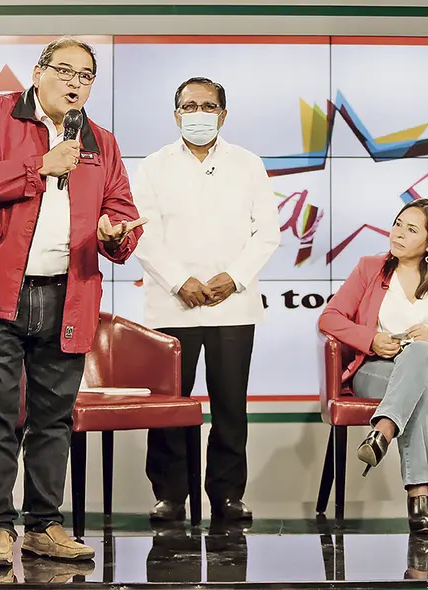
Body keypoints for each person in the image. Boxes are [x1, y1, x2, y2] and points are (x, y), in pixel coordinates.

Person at [0, 37, 146, 565]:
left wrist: (117, 237)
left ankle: (45, 524)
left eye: (87, 75)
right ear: (39, 70)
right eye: (66, 70)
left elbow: (121, 210)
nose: (76, 82)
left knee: (55, 419)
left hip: (66, 295)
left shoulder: (101, 141)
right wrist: (39, 167)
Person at [132, 77, 280, 523]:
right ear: (176, 113)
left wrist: (231, 278)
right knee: (169, 407)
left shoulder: (248, 165)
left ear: (223, 114)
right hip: (170, 305)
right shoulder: (152, 167)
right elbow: (142, 233)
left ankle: (227, 495)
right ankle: (170, 495)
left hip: (232, 307)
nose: (199, 113)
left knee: (230, 407)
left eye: (208, 106)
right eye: (189, 105)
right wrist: (181, 281)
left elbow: (267, 233)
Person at [318, 199, 428, 531]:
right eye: (397, 224)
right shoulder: (370, 268)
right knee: (418, 391)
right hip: (378, 369)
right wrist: (370, 340)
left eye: (410, 230)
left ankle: (382, 431)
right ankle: (419, 495)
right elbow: (330, 317)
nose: (397, 234)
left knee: (418, 354)